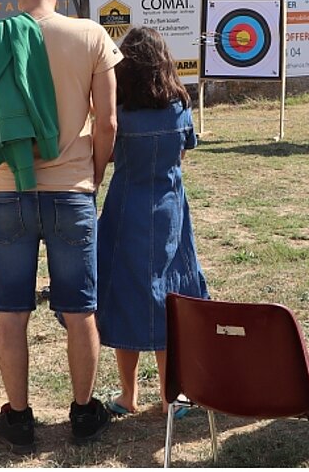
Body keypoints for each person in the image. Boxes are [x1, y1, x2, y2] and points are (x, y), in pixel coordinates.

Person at [0, 0, 120, 453]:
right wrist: (88, 174)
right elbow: (109, 122)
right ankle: (85, 414)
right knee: (80, 311)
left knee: (11, 312)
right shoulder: (90, 34)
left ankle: (19, 419)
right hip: (72, 190)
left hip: (7, 193)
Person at [96, 26, 208, 416]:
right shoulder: (179, 106)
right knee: (168, 298)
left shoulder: (119, 112)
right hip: (169, 210)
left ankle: (128, 396)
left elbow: (105, 155)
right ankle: (169, 396)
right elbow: (183, 154)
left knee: (125, 295)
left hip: (125, 209)